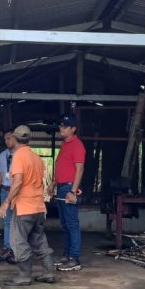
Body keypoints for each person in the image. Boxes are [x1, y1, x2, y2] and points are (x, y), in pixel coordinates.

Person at [0, 125, 56, 286]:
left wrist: (6, 202)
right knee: (39, 240)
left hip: (24, 207)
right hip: (39, 207)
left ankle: (24, 275)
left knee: (18, 241)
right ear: (29, 139)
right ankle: (49, 272)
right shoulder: (36, 157)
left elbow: (17, 182)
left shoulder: (18, 156)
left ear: (15, 138)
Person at [52, 113, 85, 271]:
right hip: (61, 186)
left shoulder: (77, 145)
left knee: (72, 224)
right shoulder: (65, 144)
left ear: (73, 129)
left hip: (68, 188)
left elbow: (79, 169)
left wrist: (73, 191)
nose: (61, 129)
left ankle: (74, 258)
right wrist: (53, 183)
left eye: (64, 127)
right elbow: (60, 164)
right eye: (60, 126)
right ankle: (67, 254)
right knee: (65, 224)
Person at [0, 129, 17, 262]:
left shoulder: (20, 154)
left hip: (17, 192)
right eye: (5, 139)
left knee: (17, 222)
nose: (7, 141)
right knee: (7, 222)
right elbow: (0, 175)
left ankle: (16, 250)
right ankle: (7, 249)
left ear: (15, 138)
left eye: (10, 138)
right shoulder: (2, 155)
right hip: (5, 190)